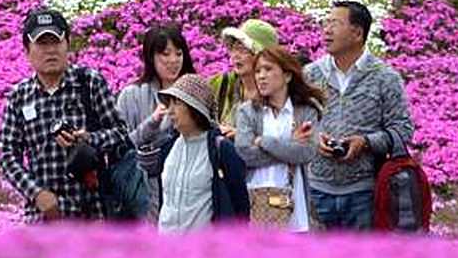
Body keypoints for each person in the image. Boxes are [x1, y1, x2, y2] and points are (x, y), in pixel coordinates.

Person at [0, 7, 133, 221]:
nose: (50, 50)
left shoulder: (89, 82)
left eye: (56, 42)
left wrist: (90, 138)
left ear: (67, 44)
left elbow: (121, 133)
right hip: (44, 218)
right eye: (42, 44)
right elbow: (7, 156)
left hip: (92, 215)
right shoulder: (19, 96)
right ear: (27, 51)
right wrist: (37, 193)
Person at [303, 0, 416, 231]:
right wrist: (314, 137)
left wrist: (365, 142)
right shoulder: (309, 74)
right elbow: (292, 122)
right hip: (315, 191)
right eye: (326, 23)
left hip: (363, 194)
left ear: (357, 33)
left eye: (335, 23)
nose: (326, 29)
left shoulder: (385, 77)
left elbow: (403, 130)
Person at [235, 45, 326, 231]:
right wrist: (289, 146)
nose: (261, 76)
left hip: (294, 205)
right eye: (258, 71)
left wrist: (265, 142)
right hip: (257, 204)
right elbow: (245, 153)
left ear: (287, 75)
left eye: (268, 69)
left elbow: (307, 152)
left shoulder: (305, 111)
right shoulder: (247, 111)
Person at [116, 24, 194, 220]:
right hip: (145, 192)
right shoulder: (131, 95)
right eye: (165, 54)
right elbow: (122, 146)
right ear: (151, 57)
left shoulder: (194, 92)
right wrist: (153, 122)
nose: (173, 61)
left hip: (189, 191)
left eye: (179, 53)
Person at [155, 73, 250, 233]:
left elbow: (240, 205)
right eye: (169, 104)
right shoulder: (168, 149)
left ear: (195, 109)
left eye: (177, 104)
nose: (170, 111)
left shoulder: (221, 149)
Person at [210, 19, 278, 132]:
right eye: (234, 48)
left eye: (243, 50)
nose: (236, 55)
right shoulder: (223, 83)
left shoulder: (278, 93)